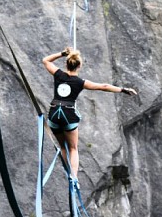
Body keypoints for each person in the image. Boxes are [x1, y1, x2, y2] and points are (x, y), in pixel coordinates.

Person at [42, 47, 136, 179]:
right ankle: (73, 177)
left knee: (63, 147)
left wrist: (62, 53)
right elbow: (104, 87)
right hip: (68, 115)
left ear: (66, 64)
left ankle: (66, 169)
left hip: (54, 113)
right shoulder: (80, 83)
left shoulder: (58, 74)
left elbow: (45, 60)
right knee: (73, 148)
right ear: (79, 66)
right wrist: (123, 90)